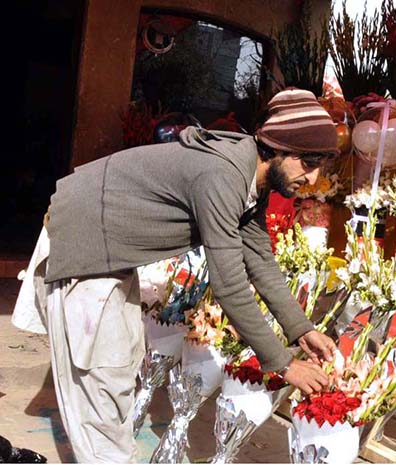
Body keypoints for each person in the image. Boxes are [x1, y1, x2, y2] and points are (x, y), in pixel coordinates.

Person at [12, 88, 338, 462]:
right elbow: (229, 283)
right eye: (308, 163)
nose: (313, 179)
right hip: (84, 241)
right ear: (277, 147)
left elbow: (259, 259)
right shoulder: (223, 173)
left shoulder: (250, 176)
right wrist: (281, 363)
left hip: (112, 249)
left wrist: (302, 330)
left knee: (121, 365)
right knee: (98, 376)